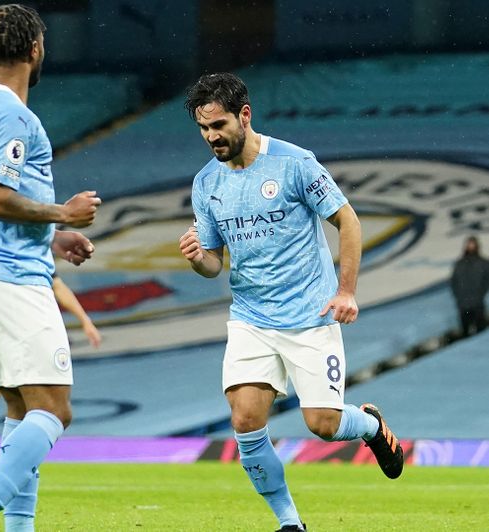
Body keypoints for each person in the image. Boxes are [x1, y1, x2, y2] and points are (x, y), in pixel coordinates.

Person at [178, 73, 404, 532]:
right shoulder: (206, 183)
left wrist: (346, 291)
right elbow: (213, 264)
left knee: (323, 424)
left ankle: (369, 425)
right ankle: (290, 523)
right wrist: (198, 257)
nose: (211, 136)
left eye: (219, 125)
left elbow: (348, 220)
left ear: (245, 115)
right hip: (251, 319)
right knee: (245, 421)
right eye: (203, 128)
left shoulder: (295, 163)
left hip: (309, 316)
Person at [0, 4, 102, 531]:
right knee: (55, 411)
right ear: (35, 49)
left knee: (21, 410)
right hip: (9, 278)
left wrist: (51, 237)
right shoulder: (15, 117)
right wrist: (63, 213)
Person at [0, 275, 102, 482]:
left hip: (24, 333)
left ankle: (17, 465)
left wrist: (85, 321)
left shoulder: (31, 259)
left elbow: (57, 285)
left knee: (30, 402)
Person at [450, 235, 489, 337]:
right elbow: (453, 281)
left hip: (477, 303)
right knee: (466, 334)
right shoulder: (460, 263)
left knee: (481, 332)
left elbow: (487, 280)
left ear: (477, 246)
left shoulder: (483, 263)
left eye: (473, 245)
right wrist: (458, 296)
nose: (471, 247)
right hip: (463, 304)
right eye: (469, 245)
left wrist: (480, 293)